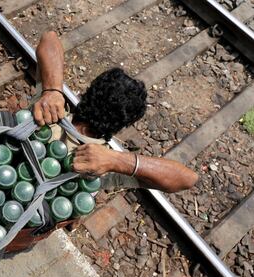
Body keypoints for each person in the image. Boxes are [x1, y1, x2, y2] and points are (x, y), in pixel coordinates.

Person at [33, 31, 198, 193]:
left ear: (89, 92)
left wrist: (52, 90)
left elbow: (49, 37)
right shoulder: (104, 166)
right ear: (122, 125)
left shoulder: (47, 112)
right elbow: (187, 179)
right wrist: (116, 160)